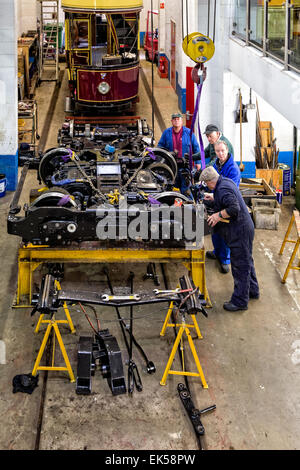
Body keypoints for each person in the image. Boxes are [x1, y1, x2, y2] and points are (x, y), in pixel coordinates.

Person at [200, 166, 259, 312]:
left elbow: (234, 208)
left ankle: (240, 302)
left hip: (240, 230)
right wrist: (214, 198)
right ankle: (252, 290)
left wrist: (217, 216)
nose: (207, 186)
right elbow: (229, 197)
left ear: (210, 181)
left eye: (206, 183)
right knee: (247, 261)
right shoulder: (225, 181)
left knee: (240, 265)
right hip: (245, 227)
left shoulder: (222, 189)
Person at [206, 140, 241, 273]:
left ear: (227, 150)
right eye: (217, 151)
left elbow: (232, 192)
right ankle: (217, 252)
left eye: (223, 151)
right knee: (215, 230)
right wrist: (212, 195)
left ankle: (225, 259)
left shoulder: (233, 169)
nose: (220, 154)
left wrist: (217, 197)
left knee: (226, 232)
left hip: (228, 204)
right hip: (218, 201)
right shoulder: (217, 164)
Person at [158, 113, 201, 196]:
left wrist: (198, 162)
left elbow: (196, 148)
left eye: (178, 119)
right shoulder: (166, 133)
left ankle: (189, 206)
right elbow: (160, 147)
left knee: (186, 190)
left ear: (182, 121)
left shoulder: (189, 133)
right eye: (174, 119)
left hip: (185, 167)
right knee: (170, 190)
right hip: (170, 167)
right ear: (171, 121)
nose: (176, 120)